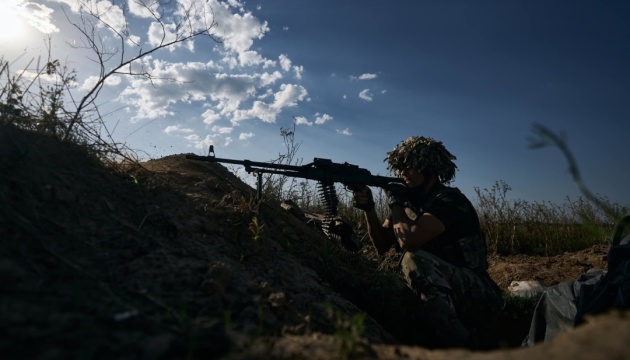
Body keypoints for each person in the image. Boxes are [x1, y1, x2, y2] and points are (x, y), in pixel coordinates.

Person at [352, 135, 504, 348]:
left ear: (430, 168)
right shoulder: (408, 203)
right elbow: (382, 246)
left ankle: (461, 345)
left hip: (479, 296)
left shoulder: (449, 200)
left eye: (412, 166)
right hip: (444, 289)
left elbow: (408, 241)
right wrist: (369, 210)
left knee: (413, 259)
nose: (403, 172)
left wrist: (395, 201)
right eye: (400, 167)